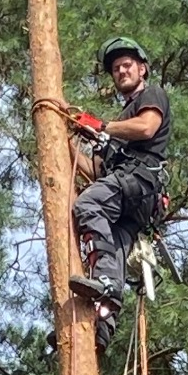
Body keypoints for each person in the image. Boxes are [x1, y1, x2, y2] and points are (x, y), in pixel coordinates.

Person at [69, 38, 171, 353]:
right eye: (115, 68)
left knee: (87, 204)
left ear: (142, 69)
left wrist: (102, 126)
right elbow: (95, 170)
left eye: (127, 64)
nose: (121, 70)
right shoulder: (118, 129)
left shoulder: (151, 96)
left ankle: (105, 284)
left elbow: (146, 129)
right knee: (110, 248)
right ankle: (101, 326)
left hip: (139, 182)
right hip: (128, 197)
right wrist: (67, 137)